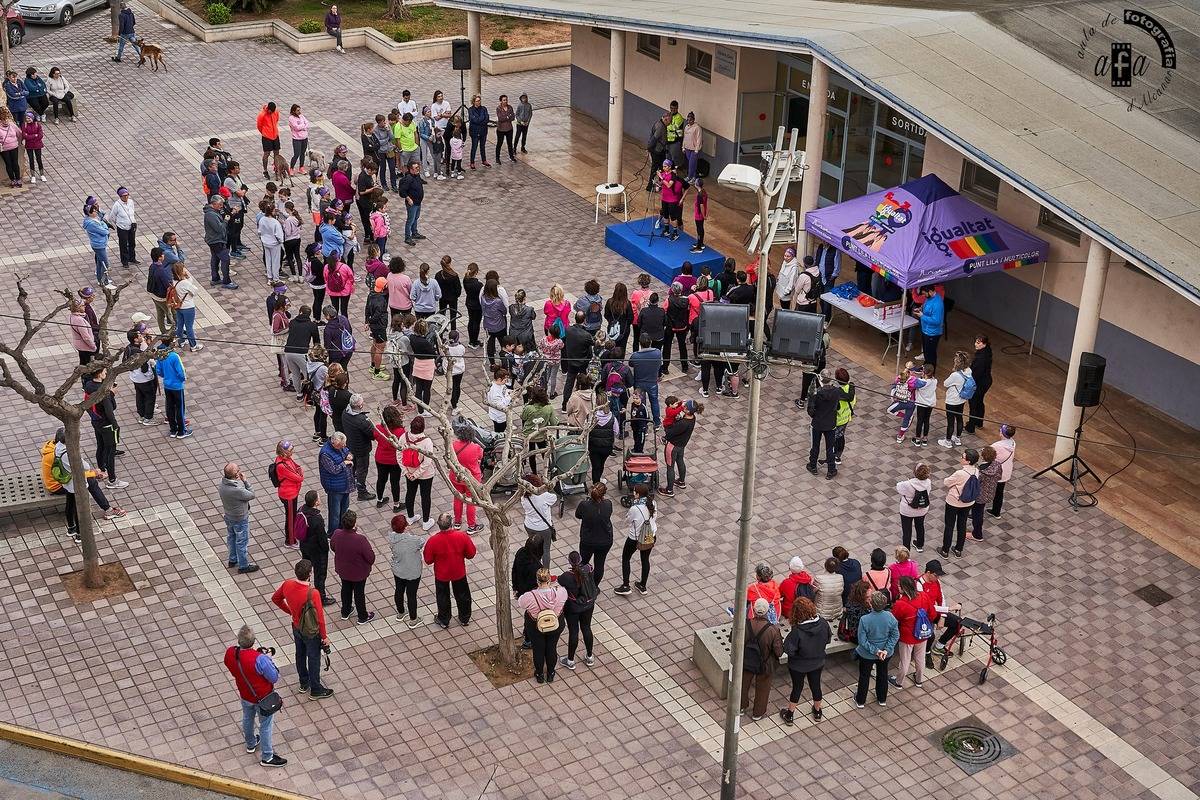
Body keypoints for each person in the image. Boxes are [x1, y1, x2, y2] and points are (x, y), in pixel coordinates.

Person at [224, 625, 286, 768]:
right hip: (263, 697)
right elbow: (273, 677)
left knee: (247, 717)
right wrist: (268, 659)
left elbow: (230, 665)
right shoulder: (260, 659)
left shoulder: (230, 653)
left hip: (245, 694)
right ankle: (267, 757)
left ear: (239, 640)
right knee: (265, 725)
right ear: (253, 641)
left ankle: (251, 743)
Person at [271, 559, 333, 699]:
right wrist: (324, 637)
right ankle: (316, 689)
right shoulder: (313, 593)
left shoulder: (287, 584)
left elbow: (275, 599)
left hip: (296, 626)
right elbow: (320, 619)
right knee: (313, 658)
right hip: (311, 632)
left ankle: (304, 683)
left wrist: (290, 612)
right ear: (309, 574)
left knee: (300, 654)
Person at [779, 596, 830, 724]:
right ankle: (817, 711)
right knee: (816, 685)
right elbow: (828, 639)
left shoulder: (797, 631)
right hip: (817, 662)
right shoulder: (823, 623)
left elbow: (789, 649)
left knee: (797, 687)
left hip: (798, 665)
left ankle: (790, 714)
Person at [423, 513, 477, 628]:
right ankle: (465, 618)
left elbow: (428, 560)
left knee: (442, 597)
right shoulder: (462, 536)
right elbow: (471, 554)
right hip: (459, 572)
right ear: (451, 523)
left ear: (438, 525)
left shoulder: (433, 541)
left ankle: (444, 619)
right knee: (463, 595)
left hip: (441, 574)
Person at [517, 568, 567, 684]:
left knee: (538, 650)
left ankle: (539, 674)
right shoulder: (561, 592)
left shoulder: (530, 596)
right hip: (555, 624)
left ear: (537, 581)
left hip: (536, 626)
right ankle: (550, 673)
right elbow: (564, 600)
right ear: (549, 580)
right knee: (551, 647)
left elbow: (520, 602)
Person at [739, 598, 783, 721]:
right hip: (765, 664)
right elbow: (779, 652)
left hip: (746, 660)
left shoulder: (745, 624)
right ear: (767, 611)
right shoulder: (773, 630)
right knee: (763, 688)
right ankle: (758, 712)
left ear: (753, 609)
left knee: (743, 684)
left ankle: (741, 707)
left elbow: (733, 639)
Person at [888, 575, 936, 690]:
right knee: (920, 658)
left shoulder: (900, 604)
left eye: (899, 585)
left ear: (904, 588)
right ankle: (919, 680)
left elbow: (894, 620)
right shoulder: (924, 596)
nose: (897, 587)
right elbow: (933, 614)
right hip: (922, 633)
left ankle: (899, 682)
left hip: (907, 637)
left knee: (905, 660)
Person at [854, 591, 899, 708]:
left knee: (864, 676)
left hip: (867, 655)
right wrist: (885, 650)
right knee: (883, 674)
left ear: (871, 604)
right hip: (885, 654)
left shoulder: (865, 619)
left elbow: (862, 641)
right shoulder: (890, 617)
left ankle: (860, 700)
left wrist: (875, 651)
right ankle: (882, 698)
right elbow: (895, 635)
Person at [330, 509, 375, 624]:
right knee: (359, 593)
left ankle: (345, 611)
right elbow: (371, 558)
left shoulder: (337, 534)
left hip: (343, 569)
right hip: (358, 572)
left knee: (345, 588)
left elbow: (333, 547)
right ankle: (362, 616)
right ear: (354, 524)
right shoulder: (360, 539)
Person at [614, 483, 656, 595]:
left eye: (635, 492)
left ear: (638, 494)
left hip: (635, 538)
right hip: (650, 536)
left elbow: (627, 521)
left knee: (626, 558)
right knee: (645, 559)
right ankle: (642, 585)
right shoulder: (652, 503)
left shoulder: (634, 508)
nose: (633, 493)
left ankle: (626, 586)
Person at [939, 448, 980, 559]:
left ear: (968, 461)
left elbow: (946, 482)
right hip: (968, 503)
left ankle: (945, 550)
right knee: (962, 525)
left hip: (954, 502)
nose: (961, 458)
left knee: (949, 526)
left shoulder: (960, 473)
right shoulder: (976, 471)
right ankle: (958, 549)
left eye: (963, 457)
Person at [388, 514, 426, 628]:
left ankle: (400, 613)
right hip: (412, 571)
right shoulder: (413, 540)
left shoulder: (391, 538)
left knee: (399, 590)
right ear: (405, 527)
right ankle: (413, 619)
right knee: (411, 595)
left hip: (398, 570)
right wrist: (409, 533)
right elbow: (421, 542)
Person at [296, 491, 334, 604]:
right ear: (316, 502)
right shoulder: (317, 518)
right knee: (320, 574)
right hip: (317, 550)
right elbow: (322, 538)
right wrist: (326, 549)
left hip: (304, 545)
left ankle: (303, 591)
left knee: (306, 569)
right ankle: (321, 598)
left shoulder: (301, 510)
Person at [219, 463, 257, 573]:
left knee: (231, 538)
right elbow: (251, 494)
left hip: (229, 515)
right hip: (240, 519)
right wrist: (245, 481)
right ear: (236, 475)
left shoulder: (222, 485)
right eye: (238, 470)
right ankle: (243, 566)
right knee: (242, 542)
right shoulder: (237, 490)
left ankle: (232, 559)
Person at [576, 482, 614, 586]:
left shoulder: (584, 505)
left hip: (588, 540)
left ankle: (581, 584)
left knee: (583, 562)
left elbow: (578, 515)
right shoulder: (608, 504)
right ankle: (595, 586)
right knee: (599, 564)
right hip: (605, 540)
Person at [402, 415, 436, 529]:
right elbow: (427, 462)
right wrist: (417, 474)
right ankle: (426, 522)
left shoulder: (404, 437)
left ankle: (410, 517)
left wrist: (406, 472)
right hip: (425, 475)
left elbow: (398, 455)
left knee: (410, 494)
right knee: (425, 496)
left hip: (409, 472)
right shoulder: (427, 442)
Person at [660, 398, 699, 497]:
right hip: (682, 445)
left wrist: (665, 435)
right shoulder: (692, 418)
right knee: (680, 461)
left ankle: (669, 490)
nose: (683, 407)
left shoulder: (682, 423)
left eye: (685, 407)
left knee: (670, 467)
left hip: (672, 446)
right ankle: (681, 481)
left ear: (688, 410)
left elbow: (670, 432)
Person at [805, 369, 840, 480]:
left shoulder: (817, 393)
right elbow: (837, 406)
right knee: (830, 448)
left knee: (815, 446)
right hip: (831, 423)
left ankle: (813, 465)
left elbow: (810, 411)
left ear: (821, 379)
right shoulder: (836, 391)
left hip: (817, 424)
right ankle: (831, 470)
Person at [318, 432, 353, 537]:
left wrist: (349, 455)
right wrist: (345, 463)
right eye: (342, 445)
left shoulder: (340, 446)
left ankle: (342, 530)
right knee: (335, 514)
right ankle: (332, 534)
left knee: (344, 510)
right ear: (334, 444)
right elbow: (333, 469)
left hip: (345, 484)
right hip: (334, 487)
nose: (344, 446)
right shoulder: (325, 454)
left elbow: (346, 451)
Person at [512, 533, 543, 649]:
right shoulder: (537, 567)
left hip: (521, 589)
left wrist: (515, 587)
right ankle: (529, 639)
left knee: (529, 614)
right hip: (533, 594)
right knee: (532, 616)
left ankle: (527, 636)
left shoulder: (521, 553)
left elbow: (514, 570)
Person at [559, 312, 594, 411]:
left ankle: (564, 405)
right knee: (584, 382)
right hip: (583, 362)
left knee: (569, 383)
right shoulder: (586, 335)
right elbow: (593, 343)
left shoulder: (568, 330)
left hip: (571, 361)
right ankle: (583, 403)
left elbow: (564, 341)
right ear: (584, 320)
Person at [521, 474, 557, 566]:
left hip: (529, 526)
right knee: (545, 550)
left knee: (533, 548)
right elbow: (554, 498)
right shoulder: (544, 496)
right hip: (544, 528)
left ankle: (534, 569)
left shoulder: (524, 498)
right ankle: (545, 575)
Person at [627, 334, 663, 428]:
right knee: (654, 402)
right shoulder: (657, 353)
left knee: (640, 404)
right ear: (650, 342)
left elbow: (630, 364)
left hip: (639, 383)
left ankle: (644, 425)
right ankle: (657, 422)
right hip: (652, 382)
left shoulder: (635, 355)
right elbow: (660, 363)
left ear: (640, 343)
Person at [273, 440, 304, 548]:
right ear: (284, 452)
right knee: (291, 518)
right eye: (290, 451)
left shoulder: (285, 459)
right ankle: (290, 541)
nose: (292, 453)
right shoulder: (282, 465)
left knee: (292, 516)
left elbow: (297, 467)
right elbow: (299, 477)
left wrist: (298, 471)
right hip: (288, 495)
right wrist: (299, 472)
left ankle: (292, 537)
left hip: (291, 492)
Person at [938, 350, 972, 448]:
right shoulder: (969, 371)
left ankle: (948, 441)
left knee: (951, 421)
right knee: (960, 418)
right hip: (962, 399)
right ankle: (957, 438)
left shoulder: (955, 375)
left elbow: (945, 383)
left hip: (952, 400)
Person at [896, 463, 932, 552]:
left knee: (907, 531)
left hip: (907, 511)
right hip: (922, 509)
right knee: (920, 526)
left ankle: (906, 552)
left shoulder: (907, 484)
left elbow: (898, 487)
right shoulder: (928, 482)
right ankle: (920, 545)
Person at [972, 445, 1002, 541]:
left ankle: (977, 534)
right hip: (991, 492)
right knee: (979, 510)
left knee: (978, 513)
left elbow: (975, 483)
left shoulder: (981, 471)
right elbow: (999, 477)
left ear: (983, 456)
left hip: (979, 495)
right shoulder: (997, 465)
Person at [965, 335, 993, 434]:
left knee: (973, 403)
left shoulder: (981, 358)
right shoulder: (986, 352)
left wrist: (969, 382)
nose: (975, 344)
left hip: (980, 382)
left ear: (984, 344)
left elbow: (976, 373)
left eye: (978, 343)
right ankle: (978, 422)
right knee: (979, 401)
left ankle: (971, 426)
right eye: (976, 342)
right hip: (986, 381)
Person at [988, 425, 1016, 518]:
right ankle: (996, 511)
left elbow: (989, 457)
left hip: (996, 472)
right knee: (999, 492)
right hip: (1006, 471)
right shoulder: (1012, 443)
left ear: (1002, 433)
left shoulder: (997, 446)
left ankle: (977, 512)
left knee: (983, 490)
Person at [588, 401, 618, 485]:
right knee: (601, 464)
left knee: (595, 466)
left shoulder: (592, 416)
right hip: (606, 446)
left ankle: (596, 483)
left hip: (594, 446)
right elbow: (616, 431)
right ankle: (598, 481)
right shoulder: (612, 417)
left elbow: (586, 429)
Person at [109, 187, 138, 268]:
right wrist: (119, 224)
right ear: (120, 196)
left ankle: (132, 258)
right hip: (122, 228)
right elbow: (112, 217)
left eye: (127, 195)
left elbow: (132, 212)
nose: (126, 197)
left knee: (132, 243)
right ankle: (124, 261)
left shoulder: (131, 202)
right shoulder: (117, 205)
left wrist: (133, 221)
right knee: (123, 245)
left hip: (131, 226)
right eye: (123, 196)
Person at [398, 161, 425, 246]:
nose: (418, 169)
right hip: (412, 204)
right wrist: (408, 198)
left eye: (418, 167)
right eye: (416, 168)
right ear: (411, 169)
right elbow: (402, 191)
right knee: (410, 220)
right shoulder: (408, 179)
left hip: (418, 202)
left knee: (416, 218)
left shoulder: (417, 176)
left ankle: (414, 232)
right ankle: (407, 237)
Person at [917, 285, 944, 367]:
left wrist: (922, 316)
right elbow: (927, 308)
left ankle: (930, 372)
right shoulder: (929, 298)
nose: (924, 296)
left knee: (930, 354)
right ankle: (926, 368)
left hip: (932, 333)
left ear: (930, 291)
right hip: (926, 330)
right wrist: (921, 309)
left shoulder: (937, 303)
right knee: (926, 352)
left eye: (925, 294)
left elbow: (937, 321)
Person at [494, 94, 516, 163]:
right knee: (499, 143)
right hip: (501, 129)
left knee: (510, 143)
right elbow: (500, 118)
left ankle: (511, 156)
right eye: (504, 100)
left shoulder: (510, 107)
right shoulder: (498, 108)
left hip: (509, 129)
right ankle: (497, 158)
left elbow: (513, 117)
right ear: (501, 101)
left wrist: (507, 117)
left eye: (506, 100)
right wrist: (507, 117)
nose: (505, 101)